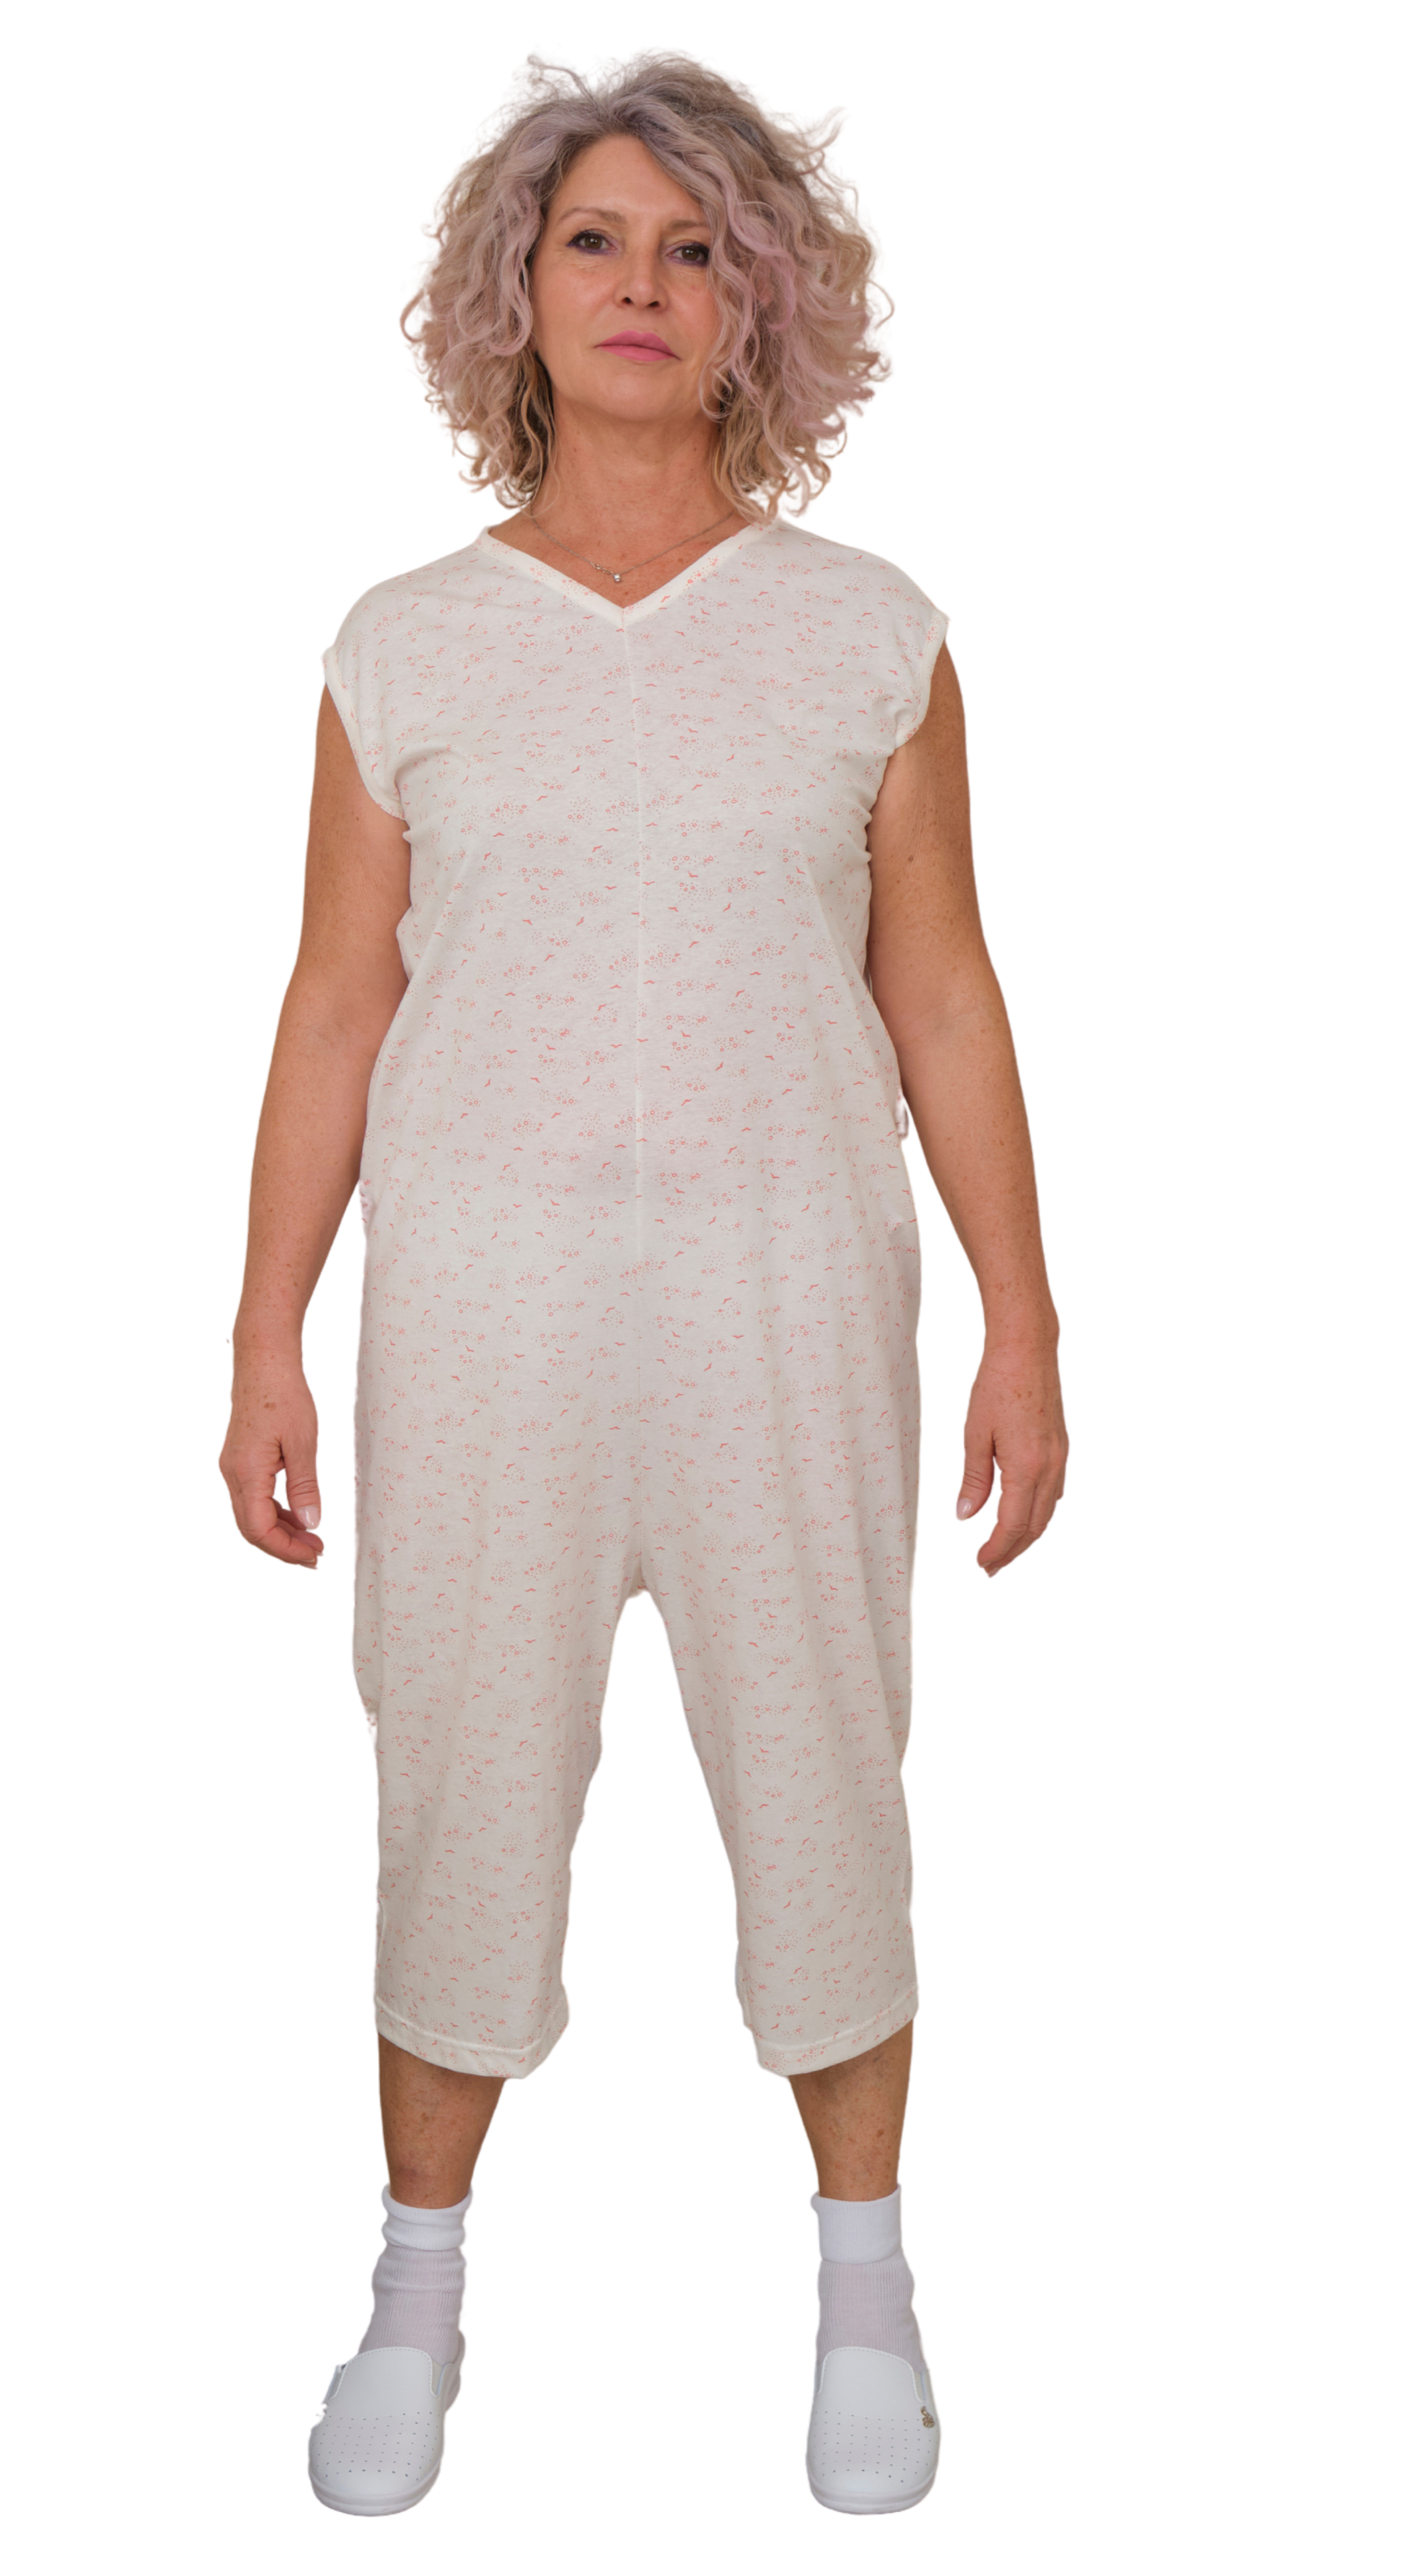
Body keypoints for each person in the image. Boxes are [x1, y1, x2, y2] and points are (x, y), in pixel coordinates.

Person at [218, 43, 1067, 2522]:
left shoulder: (869, 632)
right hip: (477, 1313)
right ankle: (416, 2289)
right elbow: (333, 1004)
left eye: (697, 248)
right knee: (461, 1778)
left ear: (761, 302)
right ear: (513, 286)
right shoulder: (402, 646)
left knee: (824, 1769)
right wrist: (265, 1332)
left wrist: (1022, 1321)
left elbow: (945, 994)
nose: (643, 284)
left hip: (793, 1298)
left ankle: (868, 2285)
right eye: (593, 237)